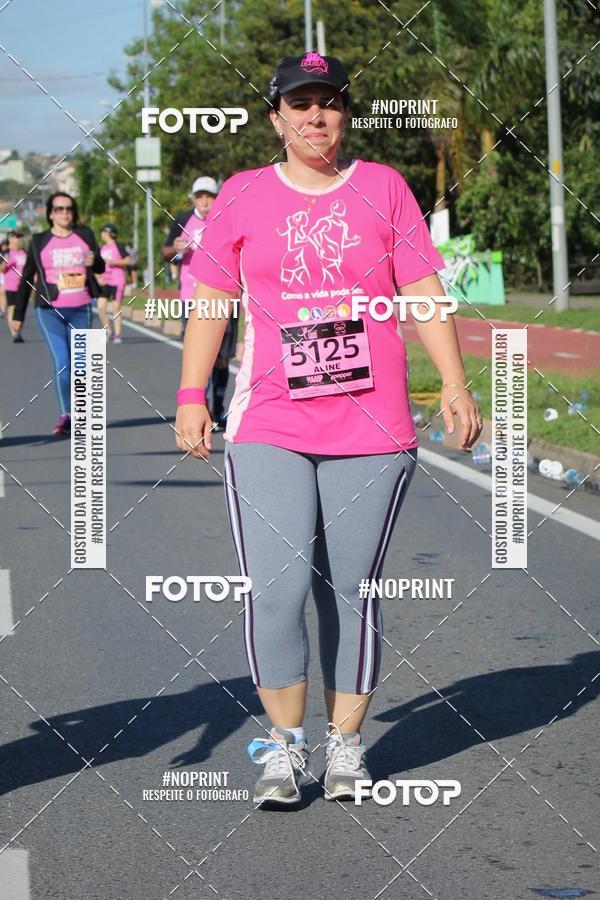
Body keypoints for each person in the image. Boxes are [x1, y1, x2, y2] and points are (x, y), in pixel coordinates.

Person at [175, 53, 483, 807]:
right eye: (301, 103)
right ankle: (284, 749)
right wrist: (191, 394)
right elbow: (213, 298)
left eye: (331, 103)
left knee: (353, 588)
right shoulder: (244, 197)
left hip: (372, 425)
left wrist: (453, 381)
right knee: (277, 590)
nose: (317, 116)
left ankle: (346, 745)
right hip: (269, 421)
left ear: (346, 115)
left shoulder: (382, 188)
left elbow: (420, 285)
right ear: (276, 116)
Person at [12, 192, 104, 435]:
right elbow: (25, 279)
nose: (65, 213)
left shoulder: (85, 235)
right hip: (49, 309)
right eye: (59, 209)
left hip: (81, 307)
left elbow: (101, 265)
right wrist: (18, 315)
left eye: (69, 209)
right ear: (50, 213)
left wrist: (95, 261)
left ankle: (81, 413)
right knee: (64, 364)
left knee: (81, 366)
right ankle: (67, 414)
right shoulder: (39, 241)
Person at [163, 177, 237, 429]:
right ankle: (200, 403)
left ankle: (218, 406)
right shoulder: (183, 219)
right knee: (199, 352)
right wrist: (175, 248)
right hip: (191, 299)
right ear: (193, 198)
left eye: (210, 197)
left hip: (225, 298)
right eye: (200, 197)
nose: (205, 202)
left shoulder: (227, 218)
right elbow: (166, 252)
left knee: (222, 356)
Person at [96, 223, 131, 344]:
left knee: (116, 307)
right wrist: (97, 276)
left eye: (103, 232)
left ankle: (117, 334)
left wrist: (114, 262)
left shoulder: (119, 246)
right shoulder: (101, 248)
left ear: (109, 233)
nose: (101, 234)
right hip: (104, 281)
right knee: (100, 306)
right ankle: (108, 330)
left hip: (117, 280)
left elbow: (128, 260)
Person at [0, 230, 27, 341]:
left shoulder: (24, 252)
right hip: (11, 285)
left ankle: (18, 331)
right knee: (12, 307)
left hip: (23, 285)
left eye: (20, 237)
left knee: (20, 309)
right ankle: (14, 333)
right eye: (17, 237)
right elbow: (1, 269)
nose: (19, 240)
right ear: (11, 238)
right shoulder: (6, 253)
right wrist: (6, 264)